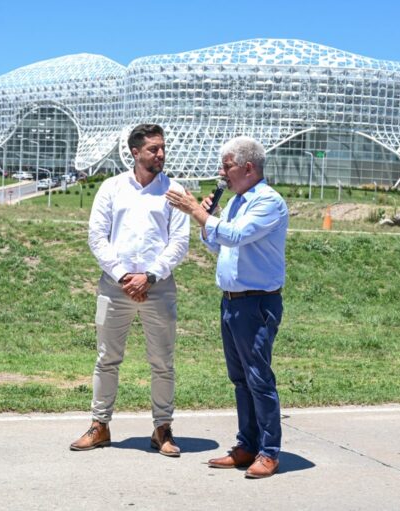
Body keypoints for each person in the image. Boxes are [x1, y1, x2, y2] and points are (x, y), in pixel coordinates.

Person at [165, 136, 288, 478]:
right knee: (239, 379)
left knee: (258, 378)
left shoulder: (269, 203)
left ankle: (269, 451)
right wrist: (209, 221)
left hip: (257, 303)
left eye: (227, 166)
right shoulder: (235, 203)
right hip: (232, 302)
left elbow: (235, 236)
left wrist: (199, 213)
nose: (222, 173)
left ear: (248, 168)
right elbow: (221, 245)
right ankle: (247, 444)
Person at [70, 124, 190, 457]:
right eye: (153, 149)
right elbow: (97, 236)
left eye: (163, 147)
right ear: (135, 152)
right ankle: (100, 424)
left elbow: (179, 242)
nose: (161, 154)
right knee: (107, 358)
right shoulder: (111, 188)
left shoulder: (174, 191)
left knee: (162, 362)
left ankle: (162, 428)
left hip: (158, 288)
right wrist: (124, 276)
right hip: (115, 286)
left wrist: (150, 276)